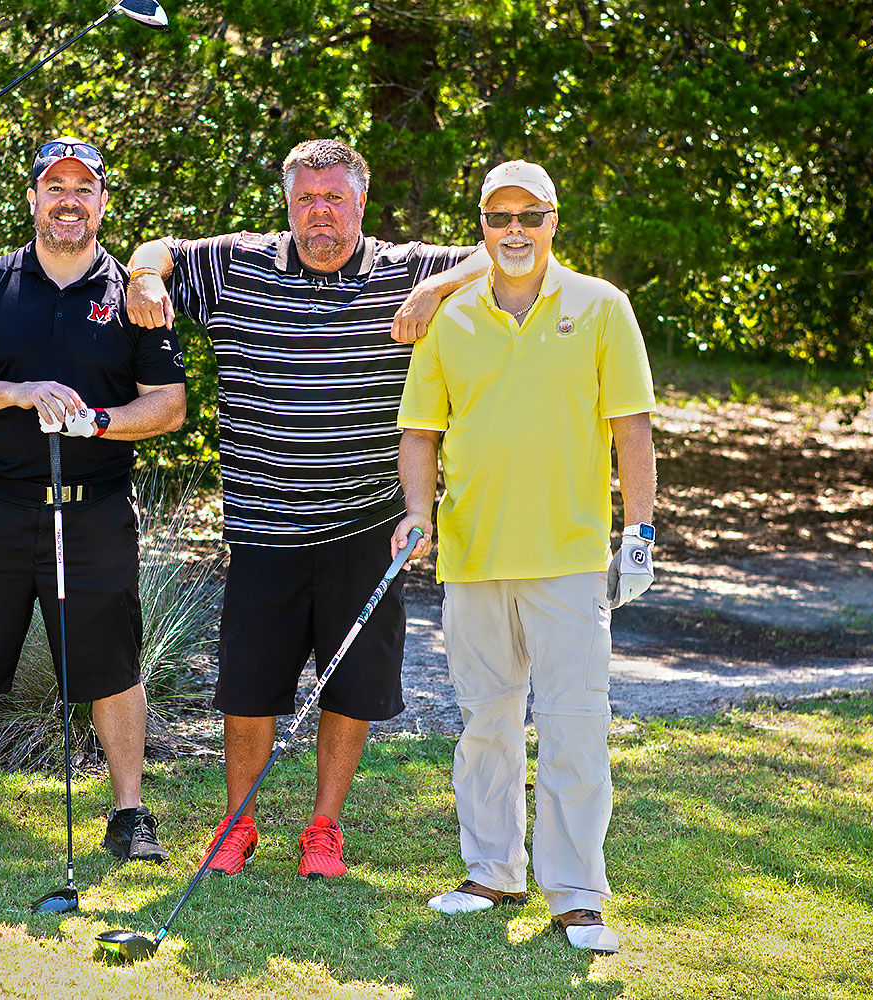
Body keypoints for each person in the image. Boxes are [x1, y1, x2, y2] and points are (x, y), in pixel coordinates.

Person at [125, 139, 492, 880]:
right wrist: (143, 276)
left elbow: (506, 254)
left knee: (351, 685)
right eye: (305, 199)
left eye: (333, 198)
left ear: (361, 201)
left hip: (368, 524)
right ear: (288, 205)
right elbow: (160, 249)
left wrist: (435, 288)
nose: (319, 212)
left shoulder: (405, 269)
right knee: (249, 686)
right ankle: (238, 823)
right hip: (263, 526)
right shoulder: (237, 264)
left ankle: (324, 827)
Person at [393, 159, 657, 954]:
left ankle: (577, 896)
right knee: (486, 723)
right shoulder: (451, 317)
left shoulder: (601, 306)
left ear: (553, 222)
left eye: (530, 215)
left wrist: (640, 532)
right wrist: (417, 513)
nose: (515, 230)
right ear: (482, 227)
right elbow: (420, 432)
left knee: (575, 726)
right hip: (472, 553)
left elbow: (632, 427)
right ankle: (493, 872)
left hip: (568, 555)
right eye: (500, 217)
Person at [0, 137, 187, 863]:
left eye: (83, 188)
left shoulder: (132, 296)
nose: (69, 201)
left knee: (114, 669)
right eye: (55, 187)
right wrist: (16, 392)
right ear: (33, 198)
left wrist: (100, 422)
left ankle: (129, 815)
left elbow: (168, 404)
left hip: (94, 511)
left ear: (102, 203)